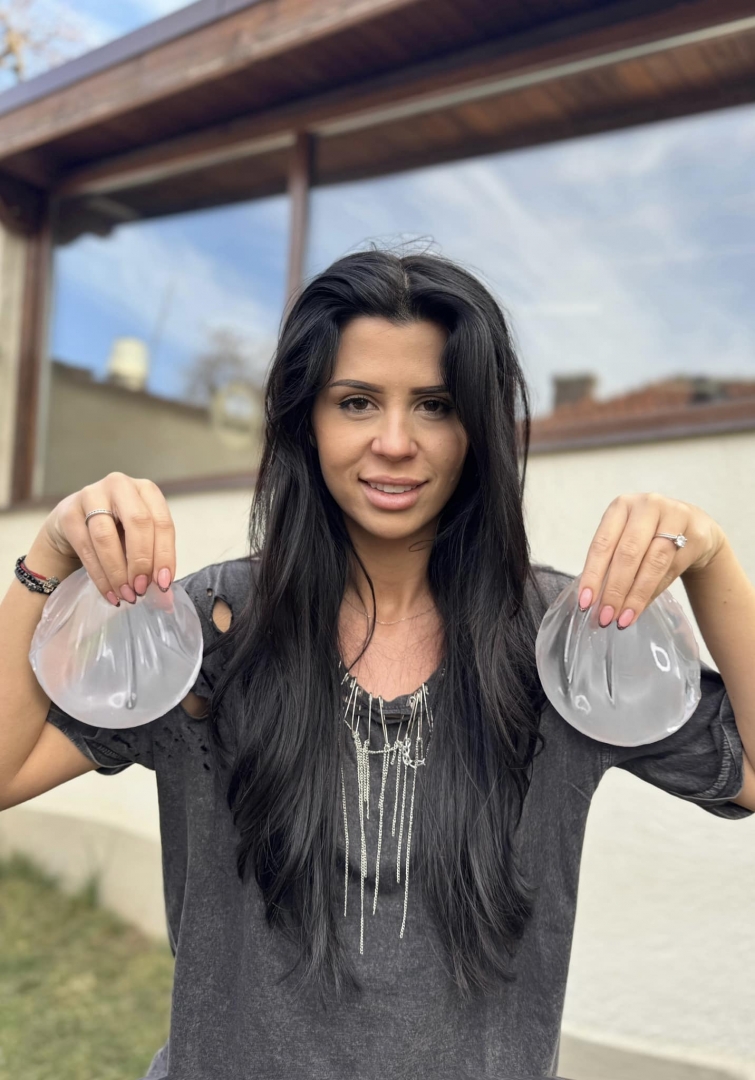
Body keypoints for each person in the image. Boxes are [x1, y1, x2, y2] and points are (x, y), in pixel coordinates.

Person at [1, 249, 753, 1080]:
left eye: (435, 405)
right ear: (306, 421)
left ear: (477, 428)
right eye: (355, 402)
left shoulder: (564, 638)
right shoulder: (210, 628)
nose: (394, 443)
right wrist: (47, 559)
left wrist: (711, 559)